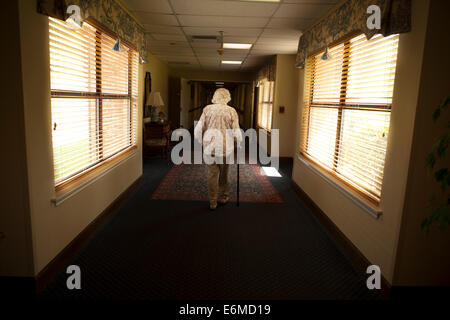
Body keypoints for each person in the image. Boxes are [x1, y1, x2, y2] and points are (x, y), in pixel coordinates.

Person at [194, 88, 242, 210]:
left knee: (212, 175)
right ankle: (223, 197)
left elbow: (198, 129)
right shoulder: (231, 111)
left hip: (209, 148)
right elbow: (236, 131)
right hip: (226, 148)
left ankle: (213, 202)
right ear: (227, 97)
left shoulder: (207, 109)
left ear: (215, 97)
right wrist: (239, 142)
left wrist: (201, 141)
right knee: (224, 174)